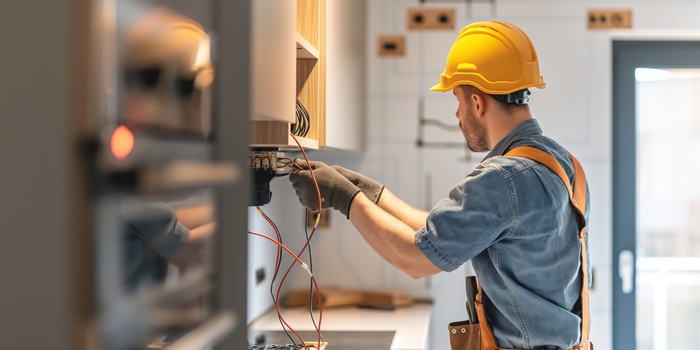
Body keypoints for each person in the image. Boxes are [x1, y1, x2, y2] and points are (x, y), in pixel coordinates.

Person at [289, 21, 592, 350]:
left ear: (477, 103)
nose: (457, 115)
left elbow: (415, 258)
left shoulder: (502, 179)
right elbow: (442, 231)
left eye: (458, 102)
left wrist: (344, 197)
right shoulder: (564, 165)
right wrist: (370, 192)